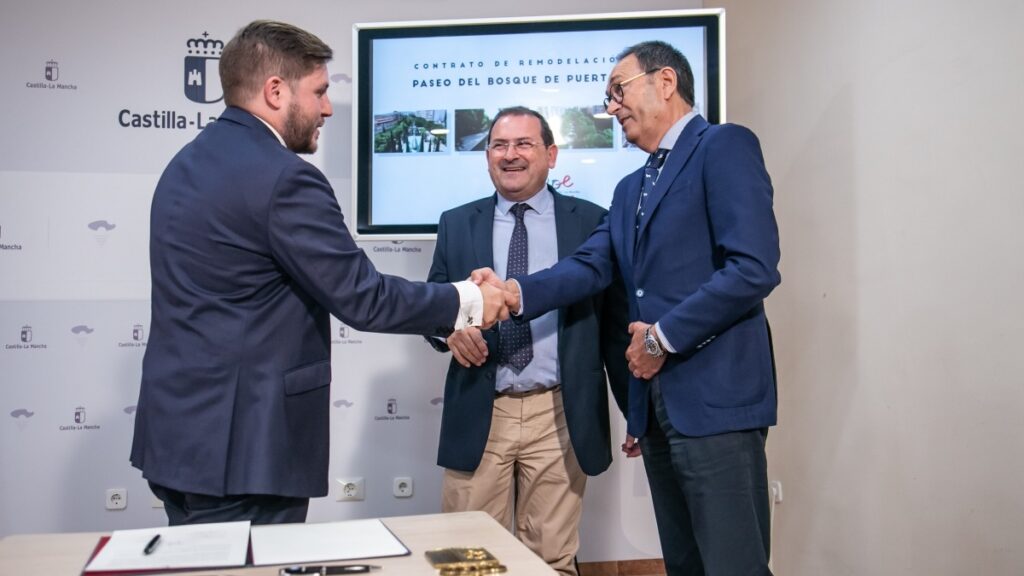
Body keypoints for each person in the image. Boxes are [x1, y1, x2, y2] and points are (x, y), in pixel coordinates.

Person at [130, 20, 508, 526]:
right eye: (321, 91)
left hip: (179, 442)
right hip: (246, 453)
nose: (328, 107)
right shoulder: (285, 179)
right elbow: (363, 298)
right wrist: (470, 301)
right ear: (275, 91)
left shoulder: (185, 163)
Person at [473, 41, 781, 575]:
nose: (611, 107)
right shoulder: (629, 187)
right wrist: (514, 293)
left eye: (619, 90)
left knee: (734, 564)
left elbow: (753, 268)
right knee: (684, 564)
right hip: (659, 410)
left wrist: (662, 337)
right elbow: (590, 266)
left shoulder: (723, 146)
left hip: (717, 402)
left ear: (665, 82)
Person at [426, 107, 630, 576]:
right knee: (466, 561)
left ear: (551, 154)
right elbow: (435, 303)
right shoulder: (457, 223)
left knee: (551, 560)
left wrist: (635, 411)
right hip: (482, 407)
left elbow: (613, 324)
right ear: (487, 156)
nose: (510, 155)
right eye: (499, 145)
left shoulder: (592, 222)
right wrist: (450, 331)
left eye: (524, 144)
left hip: (558, 412)